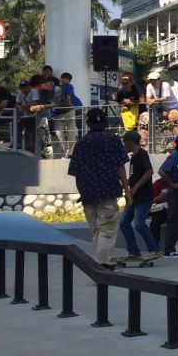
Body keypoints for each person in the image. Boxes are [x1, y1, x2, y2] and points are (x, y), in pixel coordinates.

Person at [66, 108, 129, 264]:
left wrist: (83, 191)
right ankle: (101, 263)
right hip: (108, 190)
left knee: (96, 230)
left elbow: (76, 171)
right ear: (105, 122)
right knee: (107, 228)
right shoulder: (113, 139)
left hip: (88, 193)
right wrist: (127, 190)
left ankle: (100, 260)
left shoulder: (81, 143)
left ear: (88, 123)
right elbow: (120, 166)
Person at [118, 131, 160, 263]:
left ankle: (154, 250)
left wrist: (135, 187)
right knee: (124, 222)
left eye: (125, 143)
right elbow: (134, 176)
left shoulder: (142, 154)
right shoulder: (133, 158)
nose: (124, 146)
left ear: (130, 142)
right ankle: (133, 251)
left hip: (143, 196)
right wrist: (125, 185)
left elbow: (149, 171)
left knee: (139, 223)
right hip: (134, 197)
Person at [157, 132, 178, 257]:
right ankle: (169, 249)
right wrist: (173, 184)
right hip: (175, 190)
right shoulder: (175, 156)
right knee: (174, 218)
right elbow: (161, 171)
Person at [145, 70, 178, 139]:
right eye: (151, 80)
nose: (152, 82)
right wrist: (152, 102)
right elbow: (148, 100)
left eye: (154, 80)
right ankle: (169, 143)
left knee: (175, 126)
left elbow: (165, 98)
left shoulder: (166, 85)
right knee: (166, 127)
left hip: (174, 107)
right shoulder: (149, 86)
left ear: (159, 80)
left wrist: (154, 100)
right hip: (164, 108)